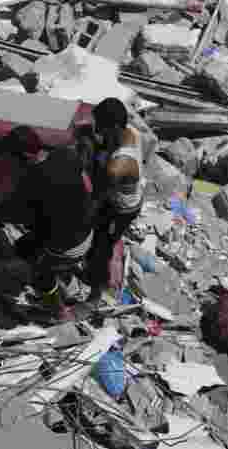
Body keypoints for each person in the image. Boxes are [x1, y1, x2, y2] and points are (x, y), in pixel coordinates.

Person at [0, 126, 95, 323]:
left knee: (35, 267)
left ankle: (60, 311)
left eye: (12, 158)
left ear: (22, 156)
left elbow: (13, 215)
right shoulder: (65, 154)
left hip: (69, 247)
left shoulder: (31, 181)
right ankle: (67, 273)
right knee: (26, 244)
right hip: (88, 230)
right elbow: (86, 183)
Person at [86, 98, 146, 307]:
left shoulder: (118, 165)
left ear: (114, 126)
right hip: (130, 195)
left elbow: (98, 195)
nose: (98, 130)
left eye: (101, 127)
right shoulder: (132, 132)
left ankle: (97, 291)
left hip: (122, 207)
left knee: (102, 244)